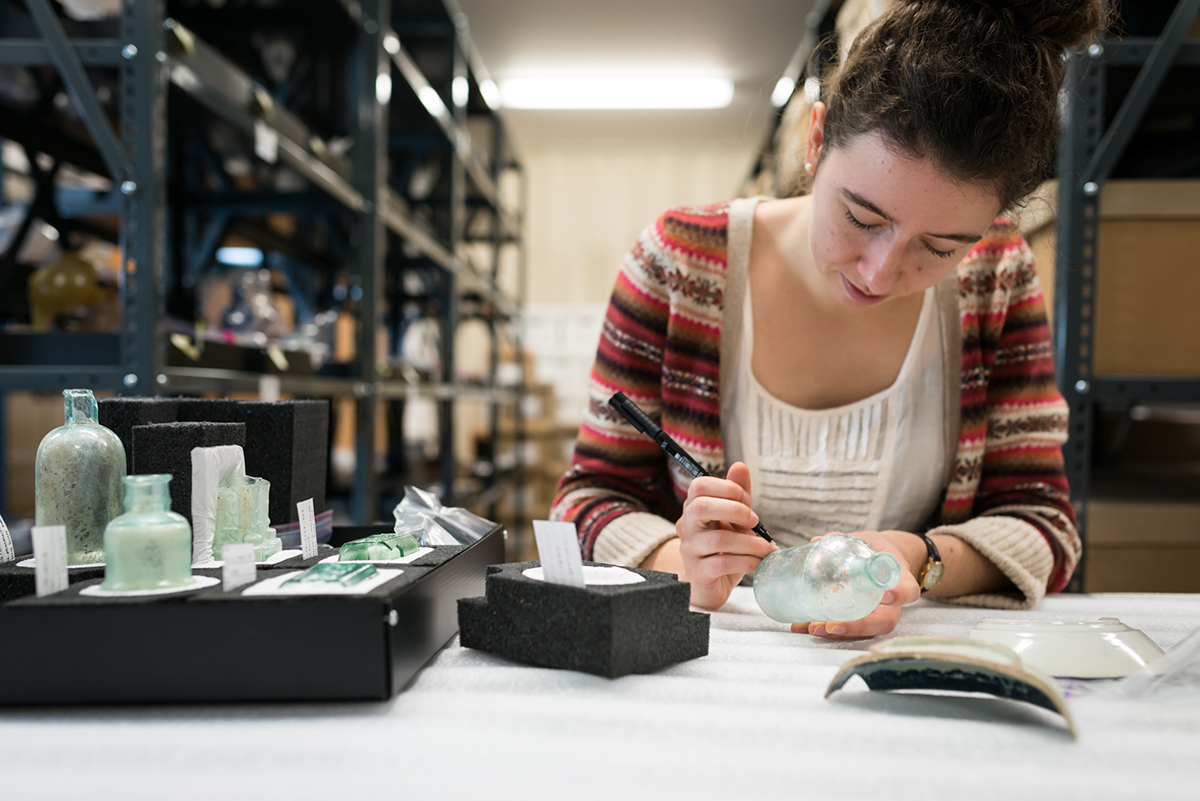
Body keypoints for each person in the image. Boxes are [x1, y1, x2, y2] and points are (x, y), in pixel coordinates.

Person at [551, 0, 1104, 638]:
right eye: (862, 219)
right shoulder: (679, 262)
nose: (878, 272)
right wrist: (680, 560)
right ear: (815, 141)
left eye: (939, 248)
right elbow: (585, 501)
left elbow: (1043, 522)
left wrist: (918, 560)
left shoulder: (995, 274)